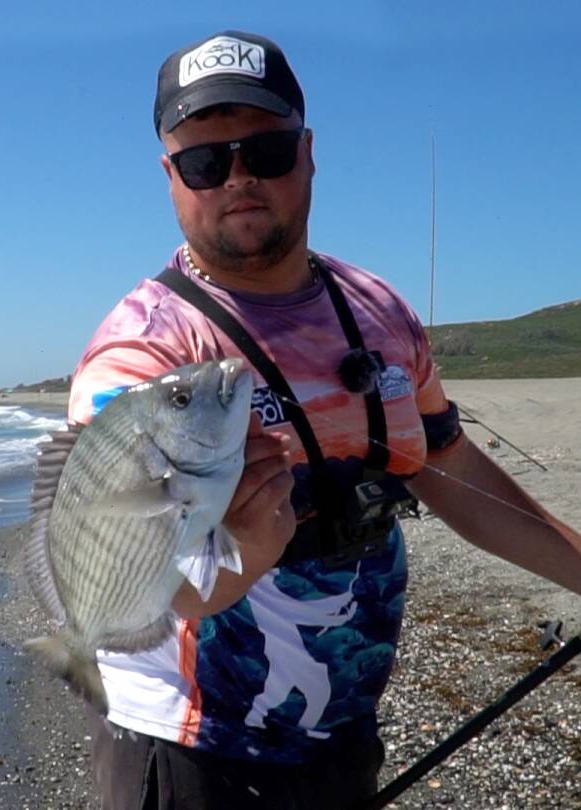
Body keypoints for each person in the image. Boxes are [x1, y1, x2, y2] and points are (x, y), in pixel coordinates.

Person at [65, 30, 581, 809]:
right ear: (171, 180)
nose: (238, 178)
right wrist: (243, 556)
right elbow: (140, 588)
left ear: (308, 152)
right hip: (189, 755)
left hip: (342, 735)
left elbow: (451, 469)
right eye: (206, 162)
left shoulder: (378, 312)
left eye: (265, 151)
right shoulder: (145, 354)